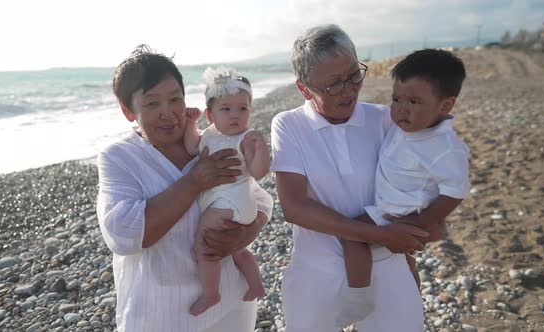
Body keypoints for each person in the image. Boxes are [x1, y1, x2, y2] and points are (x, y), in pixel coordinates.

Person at [271, 25, 440, 332]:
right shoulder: (289, 126)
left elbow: (410, 191)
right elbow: (294, 207)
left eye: (353, 75)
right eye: (334, 84)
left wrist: (400, 257)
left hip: (387, 264)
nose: (349, 89)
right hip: (315, 270)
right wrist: (377, 234)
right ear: (304, 88)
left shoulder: (385, 120)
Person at [96, 45, 273, 332]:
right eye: (152, 104)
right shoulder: (120, 157)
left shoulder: (211, 141)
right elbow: (122, 235)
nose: (169, 113)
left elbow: (260, 197)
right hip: (161, 314)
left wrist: (247, 232)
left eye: (175, 99)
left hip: (231, 303)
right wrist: (194, 182)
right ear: (128, 110)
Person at [340, 48, 470, 327]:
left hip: (399, 211)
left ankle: (358, 297)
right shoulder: (406, 126)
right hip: (391, 205)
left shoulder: (444, 147)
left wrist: (423, 222)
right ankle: (411, 290)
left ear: (445, 106)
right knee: (403, 259)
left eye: (414, 101)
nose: (401, 109)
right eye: (396, 99)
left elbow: (456, 190)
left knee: (352, 236)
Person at [183, 66, 269, 316]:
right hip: (232, 204)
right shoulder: (208, 135)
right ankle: (256, 285)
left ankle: (212, 294)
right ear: (210, 115)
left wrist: (261, 150)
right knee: (239, 251)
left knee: (204, 248)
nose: (235, 116)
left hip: (230, 202)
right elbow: (191, 148)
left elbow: (258, 172)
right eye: (226, 109)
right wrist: (190, 123)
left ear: (250, 110)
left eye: (243, 108)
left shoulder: (247, 137)